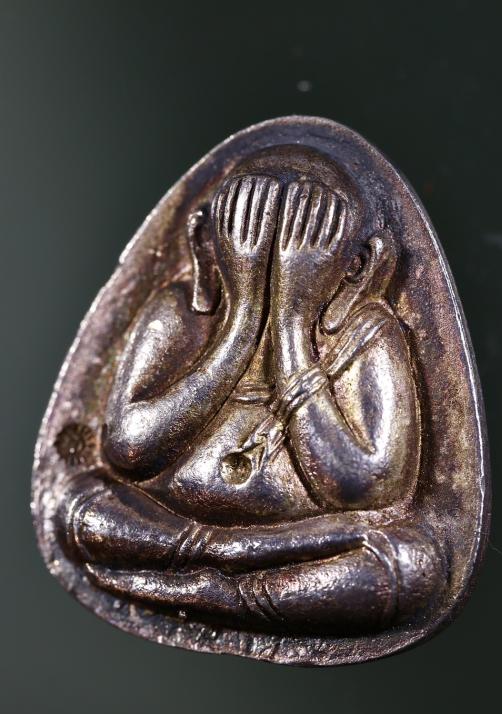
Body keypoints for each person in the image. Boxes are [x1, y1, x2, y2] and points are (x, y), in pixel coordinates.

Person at [56, 169, 446, 633]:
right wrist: (241, 322)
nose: (271, 268)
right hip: (175, 524)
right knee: (80, 506)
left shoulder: (369, 332)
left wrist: (291, 324)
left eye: (297, 247)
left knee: (410, 563)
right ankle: (223, 570)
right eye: (252, 242)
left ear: (360, 265)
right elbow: (128, 450)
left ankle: (221, 592)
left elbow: (368, 487)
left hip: (294, 542)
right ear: (204, 243)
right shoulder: (180, 311)